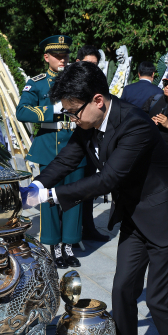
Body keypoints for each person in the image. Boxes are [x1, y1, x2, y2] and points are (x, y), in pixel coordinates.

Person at [20, 61, 168, 335]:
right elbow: (66, 159)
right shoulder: (88, 123)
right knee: (122, 290)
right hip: (137, 216)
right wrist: (36, 184)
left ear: (98, 100)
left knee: (159, 300)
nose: (73, 119)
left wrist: (51, 195)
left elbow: (109, 180)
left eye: (74, 112)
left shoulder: (134, 124)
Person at [16, 35, 84, 269]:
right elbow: (22, 111)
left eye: (65, 54)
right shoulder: (37, 83)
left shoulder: (77, 79)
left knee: (74, 198)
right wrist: (52, 109)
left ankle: (69, 245)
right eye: (57, 55)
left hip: (76, 144)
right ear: (47, 57)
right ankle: (54, 246)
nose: (63, 59)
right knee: (50, 199)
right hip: (49, 149)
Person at [76, 45, 109, 242]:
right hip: (71, 140)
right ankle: (67, 232)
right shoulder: (72, 80)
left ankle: (88, 227)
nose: (92, 68)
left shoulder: (99, 82)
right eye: (89, 63)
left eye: (95, 64)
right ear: (79, 62)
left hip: (90, 141)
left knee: (88, 187)